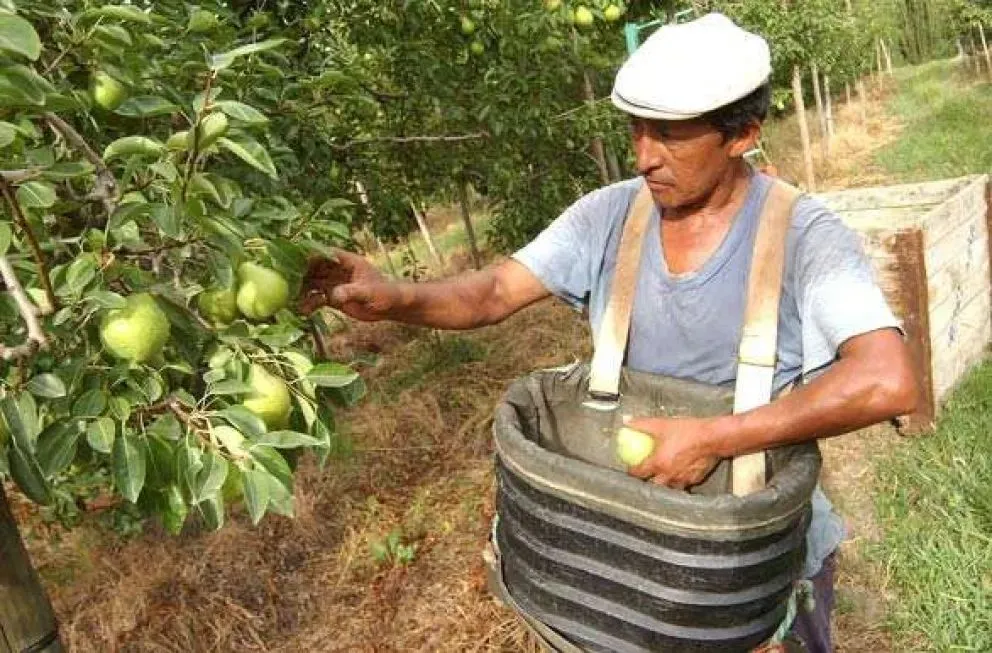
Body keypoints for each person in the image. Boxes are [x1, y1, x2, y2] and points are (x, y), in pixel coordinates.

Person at [299, 13, 918, 652]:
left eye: (670, 135)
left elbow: (885, 379)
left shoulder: (805, 236)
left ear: (744, 134)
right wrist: (390, 297)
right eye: (636, 130)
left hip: (745, 574)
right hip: (625, 557)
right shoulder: (609, 216)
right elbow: (490, 293)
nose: (643, 156)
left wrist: (712, 437)